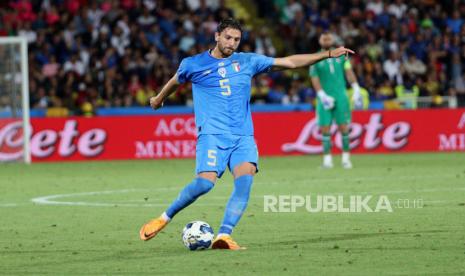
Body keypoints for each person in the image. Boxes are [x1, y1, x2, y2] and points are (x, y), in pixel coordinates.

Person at [140, 18, 354, 250]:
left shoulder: (248, 61)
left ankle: (224, 235)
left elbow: (291, 62)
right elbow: (175, 81)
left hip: (243, 137)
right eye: (228, 38)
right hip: (212, 134)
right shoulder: (193, 64)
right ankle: (164, 217)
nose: (232, 43)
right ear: (217, 36)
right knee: (204, 184)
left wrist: (328, 54)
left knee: (245, 181)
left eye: (237, 39)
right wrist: (158, 99)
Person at [309, 32, 362, 169]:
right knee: (325, 129)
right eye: (323, 37)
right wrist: (322, 95)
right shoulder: (315, 58)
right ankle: (327, 161)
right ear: (319, 40)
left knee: (344, 127)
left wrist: (356, 87)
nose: (326, 39)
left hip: (340, 96)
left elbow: (349, 72)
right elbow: (314, 78)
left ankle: (346, 159)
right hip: (324, 98)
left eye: (328, 37)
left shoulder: (341, 55)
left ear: (333, 39)